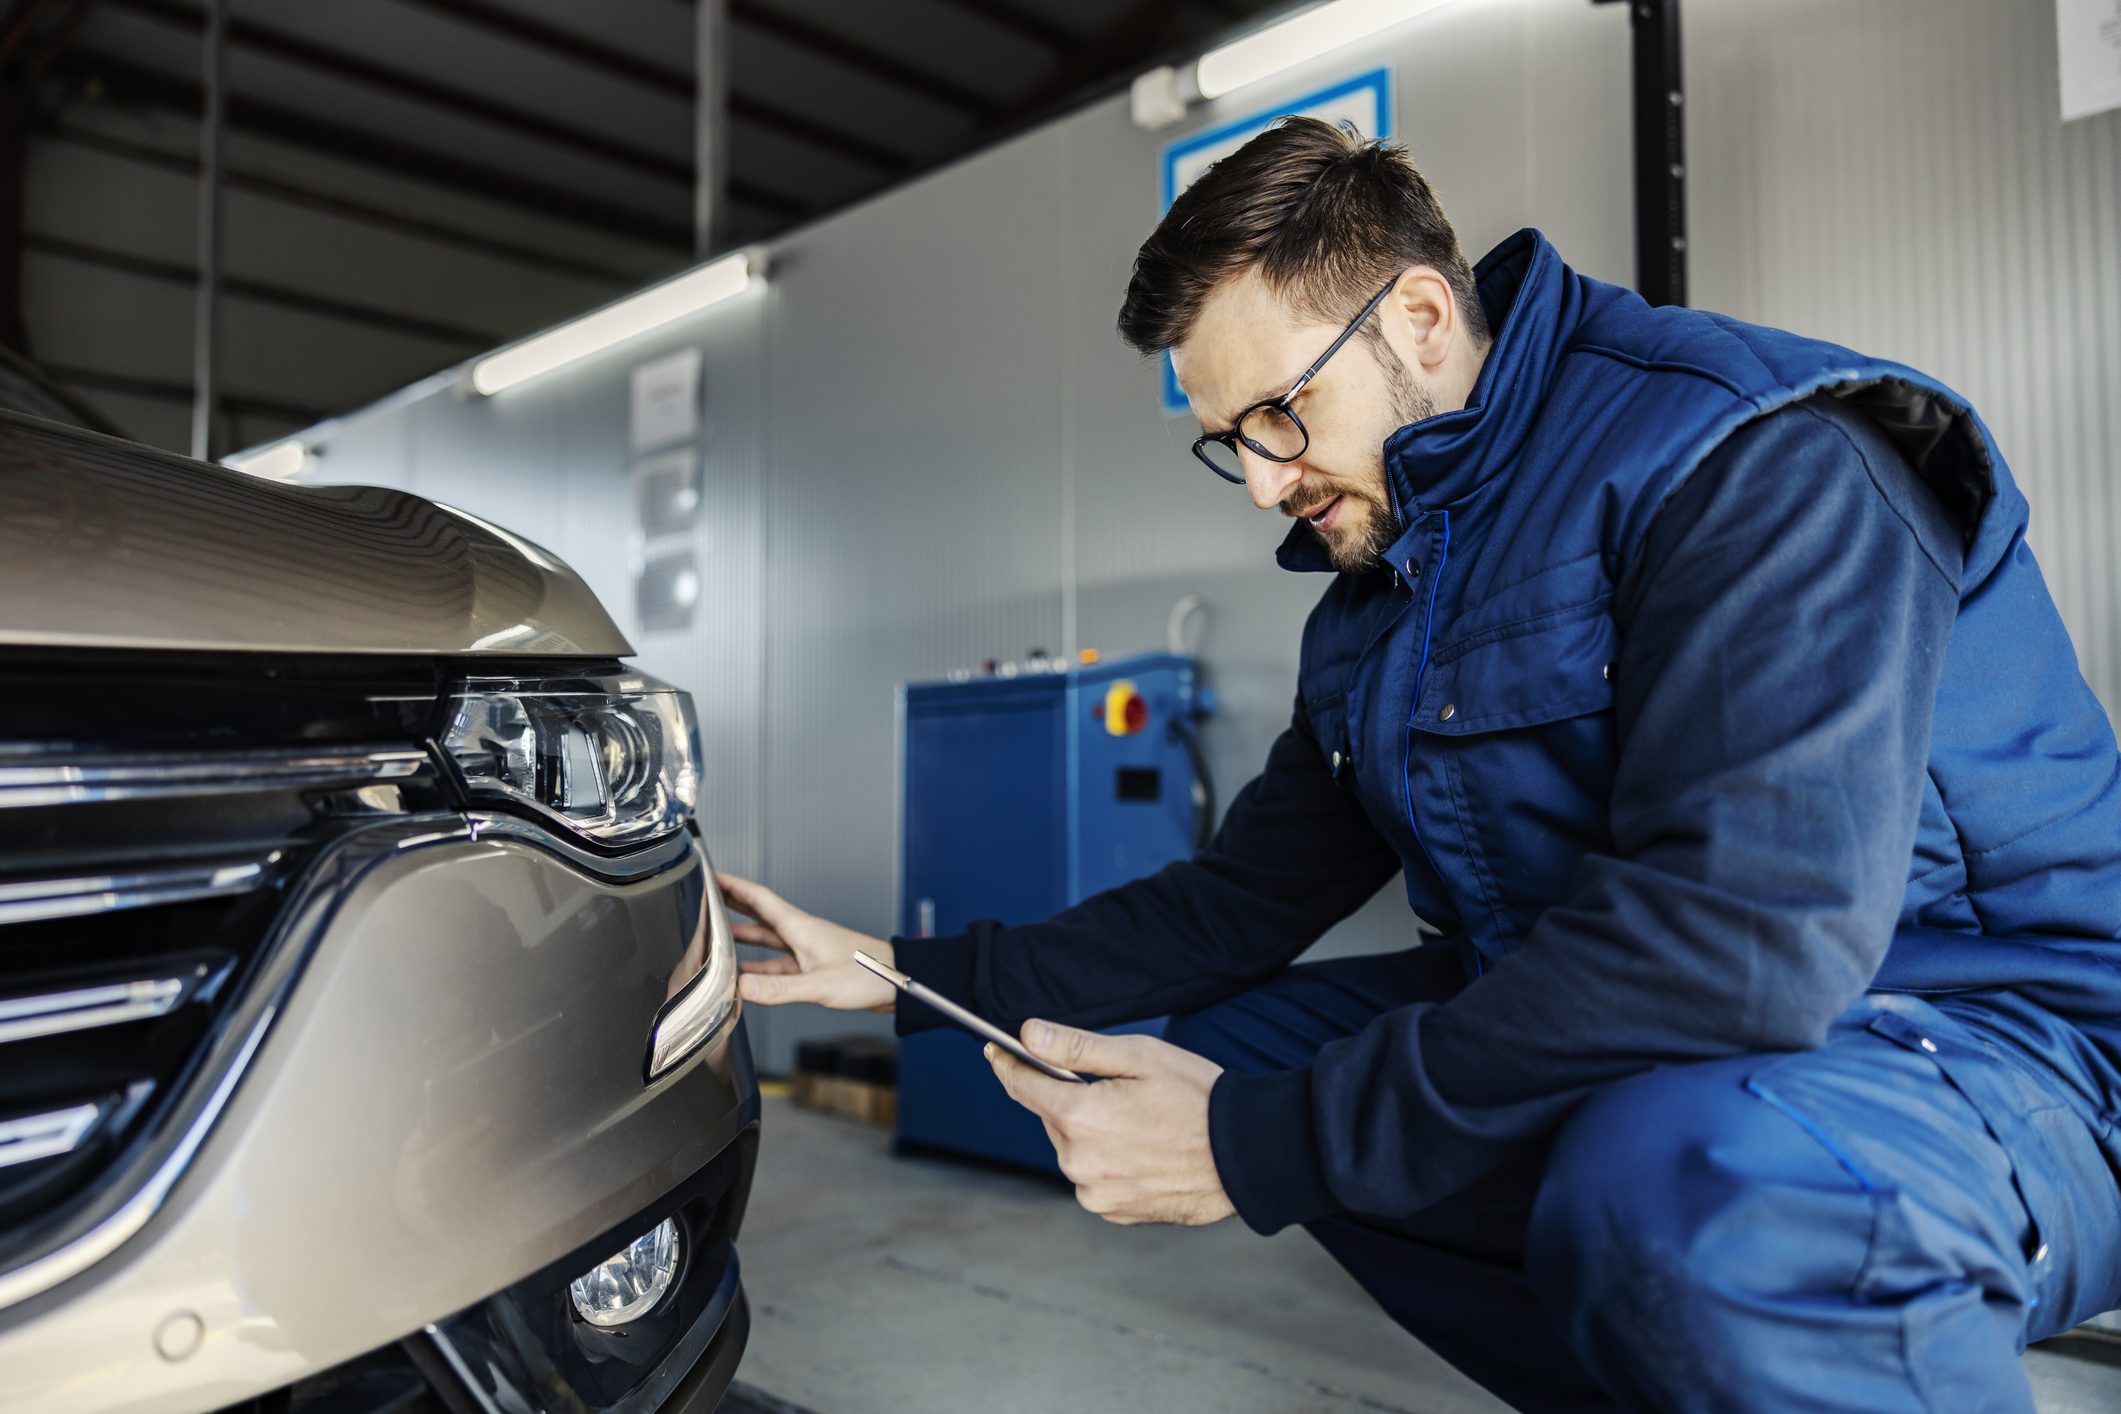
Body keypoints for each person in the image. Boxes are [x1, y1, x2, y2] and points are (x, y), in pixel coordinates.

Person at [720, 116, 2121, 1412]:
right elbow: (1234, 903)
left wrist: (1260, 1146)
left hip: (1996, 1034)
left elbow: (1736, 947)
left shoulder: (1752, 458)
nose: (1264, 480)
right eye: (1228, 446)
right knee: (1199, 1063)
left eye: (1276, 416)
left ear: (1421, 318)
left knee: (1684, 1187)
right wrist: (893, 970)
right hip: (1692, 1025)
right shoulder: (1390, 594)